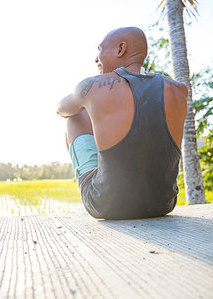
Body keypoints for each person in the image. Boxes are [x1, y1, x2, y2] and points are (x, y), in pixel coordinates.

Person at [57, 27, 188, 220]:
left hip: (106, 205)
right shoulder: (179, 89)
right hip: (164, 204)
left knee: (75, 116)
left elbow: (61, 108)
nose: (97, 59)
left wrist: (89, 103)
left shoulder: (92, 85)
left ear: (121, 49)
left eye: (100, 50)